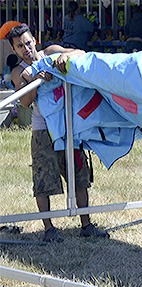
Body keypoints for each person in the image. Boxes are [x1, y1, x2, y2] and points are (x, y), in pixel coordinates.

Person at [6, 23, 109, 242]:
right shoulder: (19, 71)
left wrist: (64, 59)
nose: (26, 48)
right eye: (20, 46)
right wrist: (35, 79)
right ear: (14, 50)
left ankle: (86, 224)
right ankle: (49, 229)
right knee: (43, 180)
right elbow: (25, 102)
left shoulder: (50, 52)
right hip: (43, 131)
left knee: (79, 175)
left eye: (27, 42)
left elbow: (82, 53)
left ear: (35, 40)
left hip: (69, 126)